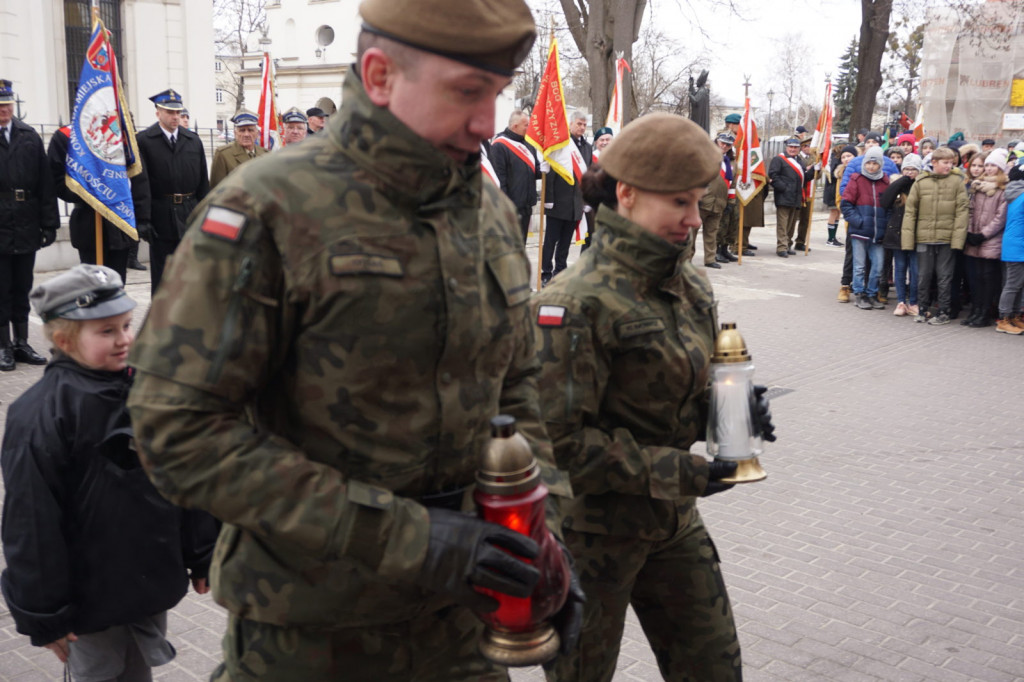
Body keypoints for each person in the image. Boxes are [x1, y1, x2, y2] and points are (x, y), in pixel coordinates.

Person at [126, 1, 583, 679]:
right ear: (378, 75)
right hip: (311, 635)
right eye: (466, 93)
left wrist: (544, 542)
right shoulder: (268, 206)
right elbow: (175, 432)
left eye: (497, 94)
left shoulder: (483, 209)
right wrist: (413, 540)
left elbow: (514, 387)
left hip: (461, 627)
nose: (488, 123)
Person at [531, 112, 775, 682]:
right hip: (592, 537)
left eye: (698, 203)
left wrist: (730, 409)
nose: (693, 220)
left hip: (671, 524)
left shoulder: (689, 284)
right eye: (680, 204)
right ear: (628, 193)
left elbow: (686, 389)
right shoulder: (572, 303)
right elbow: (556, 445)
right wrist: (683, 470)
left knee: (714, 669)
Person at [1, 264, 217, 682]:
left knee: (136, 668)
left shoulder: (146, 391)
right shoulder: (41, 413)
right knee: (99, 673)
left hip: (148, 577)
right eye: (106, 331)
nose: (124, 340)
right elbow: (31, 522)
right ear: (63, 338)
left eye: (125, 325)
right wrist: (43, 613)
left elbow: (182, 477)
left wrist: (202, 552)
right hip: (87, 596)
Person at [0, 78, 57, 371]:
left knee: (23, 285)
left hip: (25, 220)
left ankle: (21, 342)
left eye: (7, 104)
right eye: (0, 106)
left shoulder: (29, 136)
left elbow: (45, 182)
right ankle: (3, 346)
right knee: (2, 288)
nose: (4, 110)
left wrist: (49, 224)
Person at [47, 125, 153, 283]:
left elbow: (138, 178)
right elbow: (56, 179)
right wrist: (89, 194)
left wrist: (142, 217)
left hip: (119, 222)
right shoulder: (65, 136)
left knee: (116, 285)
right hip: (88, 221)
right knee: (92, 286)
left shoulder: (123, 137)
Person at [135, 88, 209, 295]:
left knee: (190, 275)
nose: (175, 117)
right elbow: (142, 183)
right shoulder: (144, 140)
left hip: (189, 213)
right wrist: (143, 219)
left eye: (178, 112)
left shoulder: (193, 140)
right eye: (170, 112)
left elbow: (203, 182)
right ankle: (160, 322)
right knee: (163, 277)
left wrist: (205, 214)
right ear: (158, 112)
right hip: (161, 215)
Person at [901, 146, 969, 325]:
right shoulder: (921, 182)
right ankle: (923, 310)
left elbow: (962, 212)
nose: (949, 166)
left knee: (945, 277)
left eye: (951, 163)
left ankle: (944, 311)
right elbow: (910, 212)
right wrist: (908, 241)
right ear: (934, 163)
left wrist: (957, 240)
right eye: (945, 163)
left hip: (946, 240)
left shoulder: (957, 182)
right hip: (924, 237)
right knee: (923, 276)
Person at [962, 149, 1009, 328]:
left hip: (990, 240)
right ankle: (975, 310)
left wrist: (983, 235)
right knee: (974, 278)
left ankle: (985, 312)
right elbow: (970, 210)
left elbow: (1000, 217)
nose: (989, 169)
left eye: (993, 165)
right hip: (974, 238)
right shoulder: (977, 186)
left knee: (987, 278)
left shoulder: (1003, 189)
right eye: (987, 165)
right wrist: (969, 231)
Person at [541, 110, 589, 284]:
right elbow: (552, 172)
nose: (582, 127)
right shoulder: (561, 144)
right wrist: (548, 199)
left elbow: (586, 176)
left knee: (565, 243)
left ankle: (560, 271)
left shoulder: (587, 147)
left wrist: (586, 200)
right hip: (558, 202)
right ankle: (545, 272)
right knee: (550, 241)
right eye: (579, 124)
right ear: (570, 123)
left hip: (575, 204)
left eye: (584, 125)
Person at [842, 146, 890, 309]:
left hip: (878, 233)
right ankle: (859, 294)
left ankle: (872, 293)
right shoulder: (856, 179)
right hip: (860, 232)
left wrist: (886, 224)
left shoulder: (885, 182)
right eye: (869, 163)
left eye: (875, 164)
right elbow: (846, 205)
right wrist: (859, 221)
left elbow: (889, 207)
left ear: (880, 165)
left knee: (877, 266)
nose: (871, 167)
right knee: (859, 266)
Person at [881, 153, 922, 316]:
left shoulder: (921, 186)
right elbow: (885, 202)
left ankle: (913, 302)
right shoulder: (897, 184)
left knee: (915, 270)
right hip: (897, 233)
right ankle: (900, 302)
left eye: (913, 169)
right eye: (907, 169)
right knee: (899, 268)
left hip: (915, 234)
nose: (910, 172)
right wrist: (901, 181)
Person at [491, 109, 541, 242]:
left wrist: (544, 169)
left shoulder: (529, 145)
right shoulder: (499, 146)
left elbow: (535, 171)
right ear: (515, 126)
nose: (529, 128)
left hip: (527, 205)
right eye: (526, 125)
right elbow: (499, 180)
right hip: (511, 207)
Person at [768, 137, 816, 257]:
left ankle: (788, 244)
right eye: (791, 147)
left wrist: (816, 169)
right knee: (783, 224)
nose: (793, 149)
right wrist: (784, 188)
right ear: (786, 147)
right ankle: (781, 247)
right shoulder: (779, 159)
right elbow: (773, 176)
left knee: (791, 223)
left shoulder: (799, 160)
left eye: (795, 147)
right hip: (784, 196)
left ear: (799, 148)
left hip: (796, 196)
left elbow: (805, 177)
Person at [695, 132, 734, 269]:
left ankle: (710, 259)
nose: (724, 146)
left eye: (728, 144)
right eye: (722, 142)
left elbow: (730, 185)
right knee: (690, 234)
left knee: (712, 233)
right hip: (702, 202)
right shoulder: (704, 157)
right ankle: (685, 260)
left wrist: (730, 202)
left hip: (719, 204)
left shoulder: (728, 162)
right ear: (716, 141)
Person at [996, 164, 1024, 333]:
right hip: (1017, 246)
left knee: (1019, 285)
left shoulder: (1015, 193)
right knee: (1013, 285)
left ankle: (1014, 316)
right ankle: (1003, 319)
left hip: (1016, 244)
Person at [210, 110, 268, 188]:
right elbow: (216, 189)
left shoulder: (265, 154)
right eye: (242, 130)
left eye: (250, 130)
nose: (246, 134)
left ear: (257, 133)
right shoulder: (223, 155)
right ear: (235, 133)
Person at [834, 145, 859, 302]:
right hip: (852, 220)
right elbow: (839, 199)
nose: (846, 159)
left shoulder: (863, 171)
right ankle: (845, 285)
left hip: (868, 218)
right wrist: (850, 213)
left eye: (849, 156)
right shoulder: (841, 175)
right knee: (851, 254)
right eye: (843, 157)